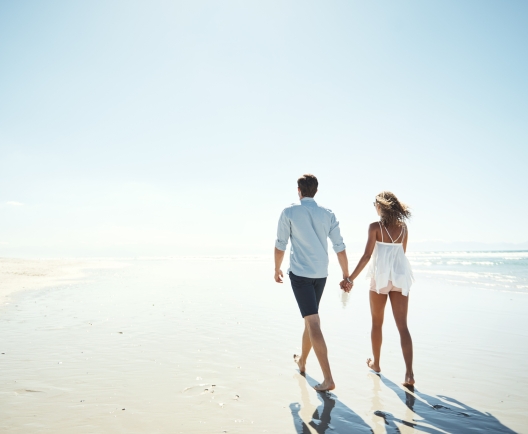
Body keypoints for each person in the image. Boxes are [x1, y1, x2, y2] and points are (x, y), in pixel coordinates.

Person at [274, 174, 351, 392]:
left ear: (298, 190)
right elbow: (340, 246)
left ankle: (328, 379)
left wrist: (276, 268)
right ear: (315, 191)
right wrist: (346, 275)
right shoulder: (327, 214)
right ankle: (302, 361)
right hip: (321, 274)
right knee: (310, 319)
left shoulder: (288, 212)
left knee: (313, 321)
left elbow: (280, 244)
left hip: (300, 275)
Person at [341, 191, 415, 386]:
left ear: (380, 206)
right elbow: (402, 253)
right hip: (400, 277)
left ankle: (376, 364)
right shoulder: (404, 229)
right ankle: (409, 374)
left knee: (377, 323)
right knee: (403, 326)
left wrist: (350, 278)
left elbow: (367, 256)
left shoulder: (375, 227)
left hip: (380, 277)